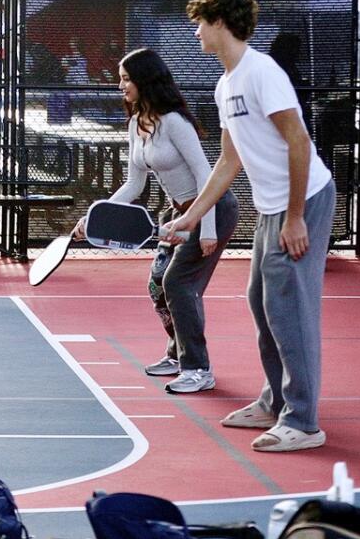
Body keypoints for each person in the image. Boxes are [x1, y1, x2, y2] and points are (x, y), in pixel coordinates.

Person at [166, 0, 334, 453]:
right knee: (261, 301)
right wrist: (189, 218)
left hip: (303, 201)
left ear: (220, 22)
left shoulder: (263, 73)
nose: (196, 30)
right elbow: (227, 162)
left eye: (200, 22)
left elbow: (299, 141)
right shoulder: (225, 84)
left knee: (289, 311)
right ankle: (275, 401)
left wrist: (296, 216)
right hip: (270, 207)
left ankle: (302, 421)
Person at [74, 48, 238, 394]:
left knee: (178, 283)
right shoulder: (137, 123)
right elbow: (135, 184)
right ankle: (179, 355)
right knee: (158, 283)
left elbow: (204, 173)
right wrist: (95, 216)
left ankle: (198, 368)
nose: (120, 86)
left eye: (125, 79)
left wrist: (205, 229)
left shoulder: (175, 122)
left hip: (211, 210)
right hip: (177, 214)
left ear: (144, 81)